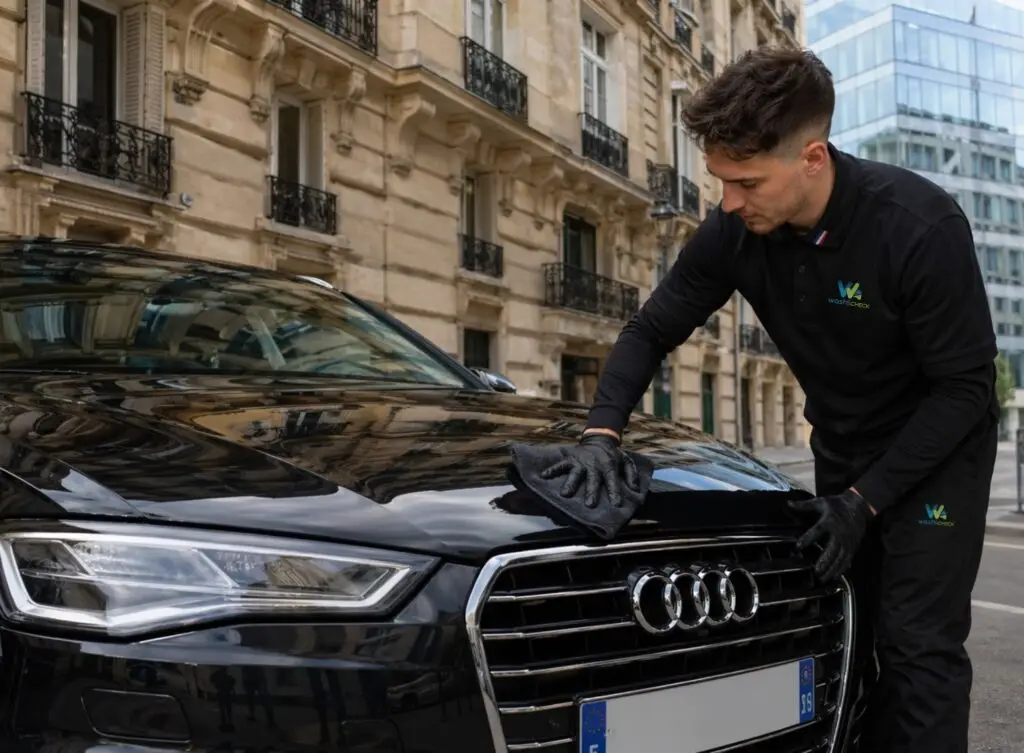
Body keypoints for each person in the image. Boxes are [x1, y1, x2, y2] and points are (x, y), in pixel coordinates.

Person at [543, 46, 999, 753]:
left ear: (812, 159)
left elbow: (965, 389)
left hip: (936, 457)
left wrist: (865, 501)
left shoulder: (918, 226)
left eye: (747, 182)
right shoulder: (735, 230)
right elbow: (650, 328)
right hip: (844, 448)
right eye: (722, 180)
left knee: (917, 645)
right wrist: (602, 433)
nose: (727, 201)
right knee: (849, 630)